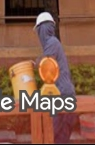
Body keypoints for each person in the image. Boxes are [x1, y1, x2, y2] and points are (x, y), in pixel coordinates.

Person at [34, 11, 77, 144]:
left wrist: (36, 64)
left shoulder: (52, 43)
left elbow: (46, 66)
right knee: (59, 138)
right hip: (63, 95)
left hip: (62, 95)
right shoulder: (52, 45)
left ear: (43, 29)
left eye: (39, 31)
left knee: (51, 135)